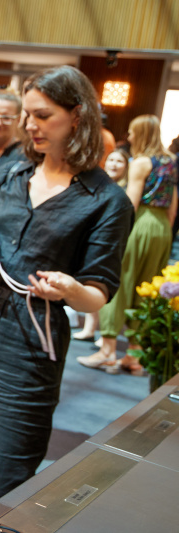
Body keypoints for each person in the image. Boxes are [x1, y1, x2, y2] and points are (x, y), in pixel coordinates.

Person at [0, 65, 133, 508]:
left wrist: (69, 289)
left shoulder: (106, 201)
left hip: (27, 344)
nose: (30, 125)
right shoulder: (13, 173)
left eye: (42, 115)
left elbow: (98, 292)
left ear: (77, 116)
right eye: (28, 115)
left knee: (2, 481)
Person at [79, 116, 178, 372]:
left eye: (133, 132)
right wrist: (165, 233)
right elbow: (173, 205)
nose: (130, 137)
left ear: (141, 134)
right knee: (145, 288)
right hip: (161, 228)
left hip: (140, 223)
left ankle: (108, 350)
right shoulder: (170, 162)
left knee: (119, 282)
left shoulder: (141, 162)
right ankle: (134, 353)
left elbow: (129, 204)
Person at [73, 148, 130, 342]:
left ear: (127, 167)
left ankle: (106, 335)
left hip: (116, 243)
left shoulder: (124, 192)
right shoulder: (97, 186)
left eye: (119, 161)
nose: (114, 164)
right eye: (111, 160)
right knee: (89, 280)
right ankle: (89, 328)